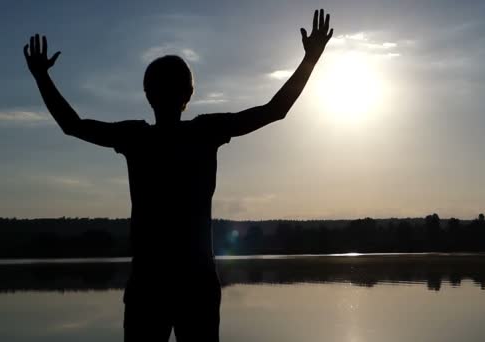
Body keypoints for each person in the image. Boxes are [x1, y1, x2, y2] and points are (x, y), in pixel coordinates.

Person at [24, 8, 333, 342]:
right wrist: (310, 61)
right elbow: (275, 110)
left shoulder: (138, 138)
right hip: (194, 281)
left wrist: (42, 77)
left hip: (150, 282)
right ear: (189, 95)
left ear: (147, 94)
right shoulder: (204, 132)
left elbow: (73, 125)